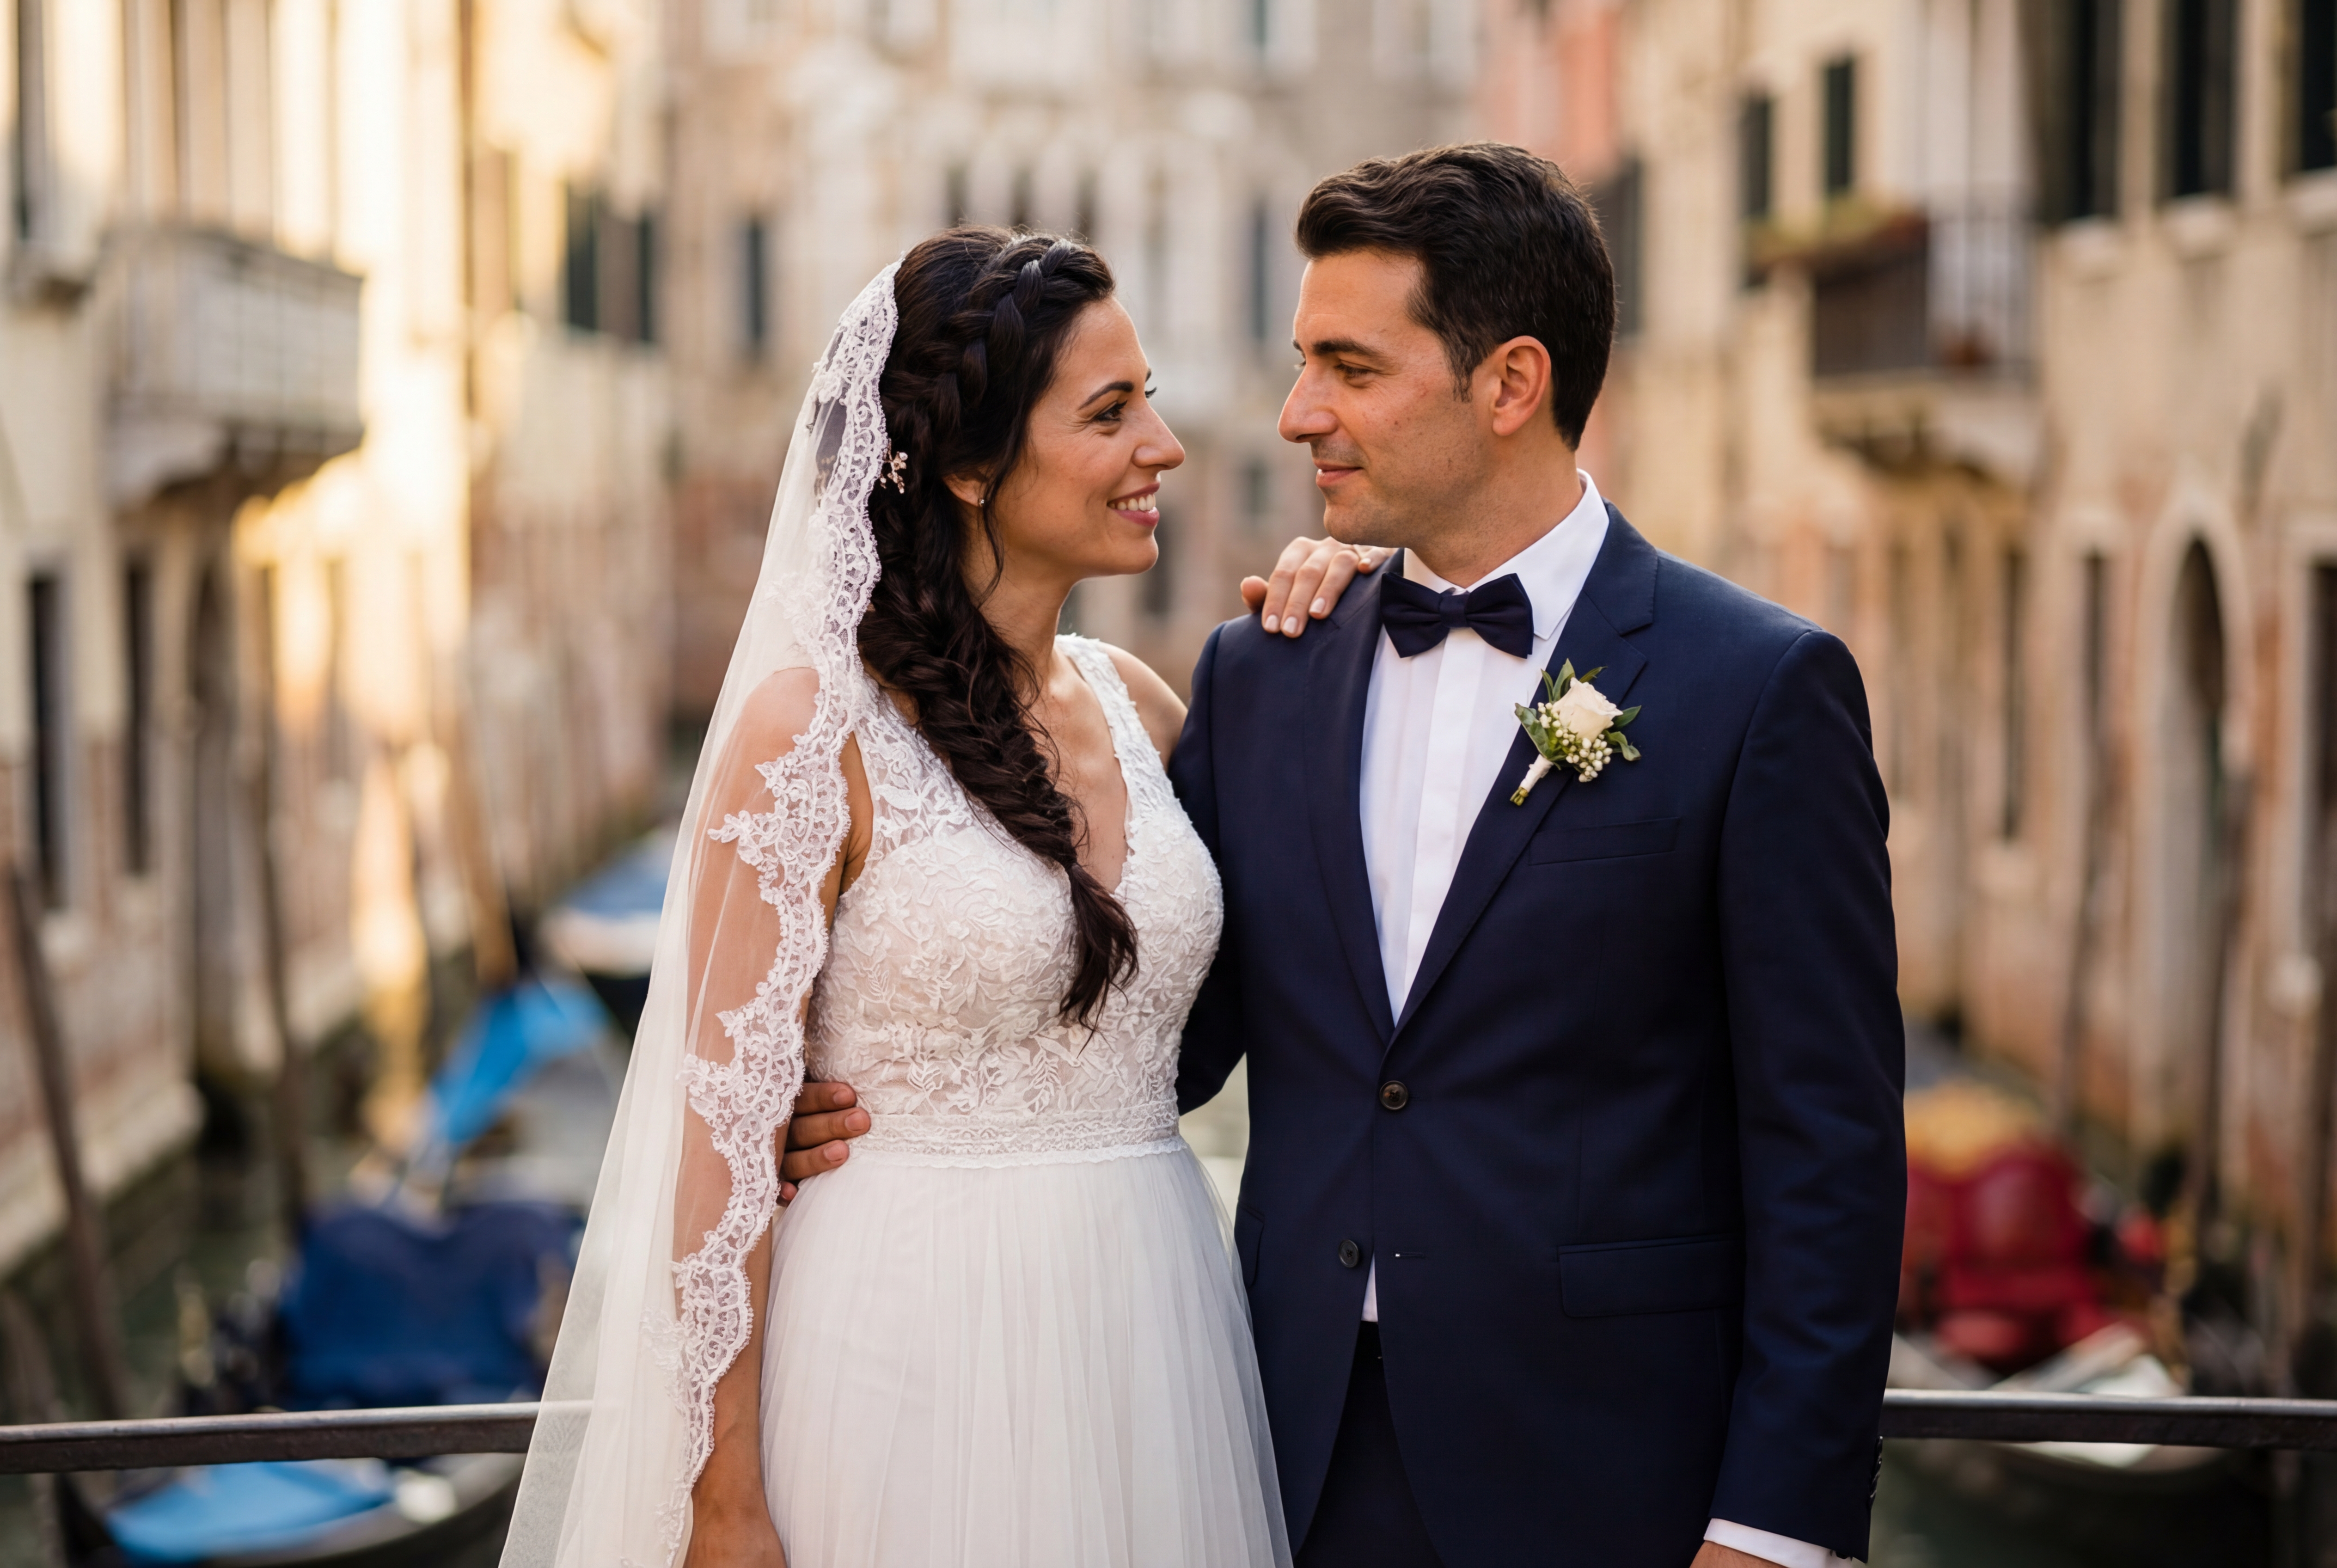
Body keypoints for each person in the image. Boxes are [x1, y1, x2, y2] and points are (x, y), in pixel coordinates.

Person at [794, 143, 1906, 1566]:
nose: (1295, 412)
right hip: (1275, 1453)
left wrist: (1773, 1529)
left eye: (1349, 368)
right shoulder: (1262, 679)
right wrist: (810, 1096)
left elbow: (1833, 1154)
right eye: (1301, 361)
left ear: (1511, 384)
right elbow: (1152, 1034)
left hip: (1620, 1478)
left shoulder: (1755, 689)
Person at [499, 228, 1379, 1568]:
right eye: (1110, 411)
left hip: (1155, 1334)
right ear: (970, 466)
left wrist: (1360, 597)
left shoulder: (1144, 708)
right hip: (908, 1352)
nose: (1167, 445)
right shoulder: (812, 736)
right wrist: (721, 1501)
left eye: (1146, 396)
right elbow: (718, 1157)